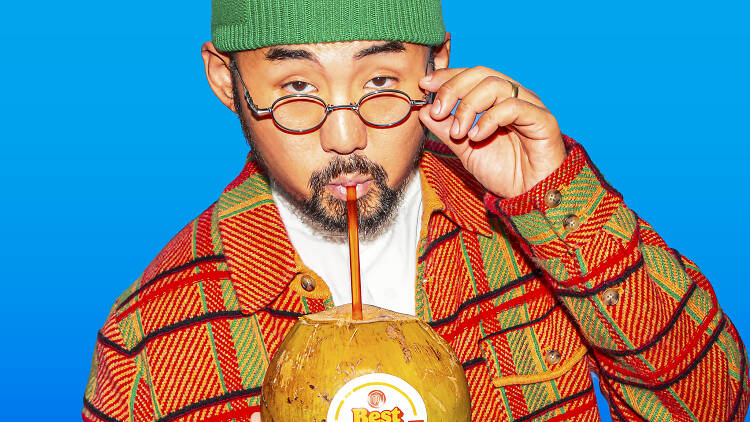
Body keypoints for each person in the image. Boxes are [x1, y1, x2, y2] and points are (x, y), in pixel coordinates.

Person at [82, 0, 749, 420]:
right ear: (227, 82)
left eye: (380, 82)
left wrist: (554, 203)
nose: (344, 137)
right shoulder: (153, 336)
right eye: (295, 86)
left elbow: (716, 404)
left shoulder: (521, 239)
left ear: (438, 64)